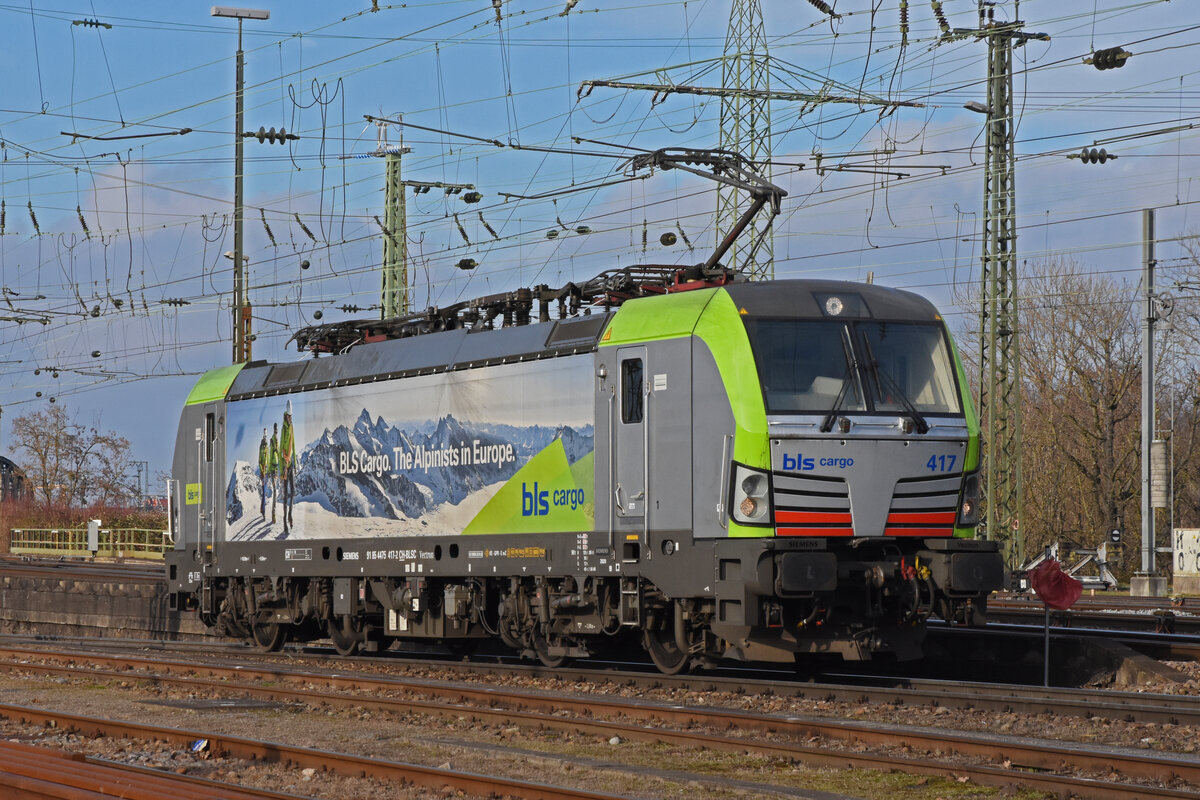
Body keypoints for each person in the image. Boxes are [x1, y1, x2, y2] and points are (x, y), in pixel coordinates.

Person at [280, 401, 297, 534]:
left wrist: (295, 463)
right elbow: (281, 449)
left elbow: (294, 445)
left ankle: (290, 515)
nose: (290, 418)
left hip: (291, 464)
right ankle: (285, 522)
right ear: (286, 416)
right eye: (289, 416)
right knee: (285, 496)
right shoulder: (284, 428)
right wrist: (282, 469)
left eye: (291, 416)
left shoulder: (291, 427)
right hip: (285, 466)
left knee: (293, 492)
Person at [269, 422, 280, 524]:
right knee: (275, 491)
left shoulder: (276, 441)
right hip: (273, 470)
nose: (276, 432)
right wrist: (270, 471)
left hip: (276, 470)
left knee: (276, 491)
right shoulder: (273, 442)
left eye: (277, 430)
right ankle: (273, 513)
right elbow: (270, 457)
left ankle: (274, 512)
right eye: (275, 430)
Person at [257, 428, 269, 518]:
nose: (265, 439)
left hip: (266, 472)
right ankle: (263, 511)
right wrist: (262, 470)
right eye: (264, 437)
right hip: (263, 473)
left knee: (264, 491)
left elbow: (267, 459)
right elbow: (260, 461)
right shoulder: (261, 448)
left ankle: (262, 508)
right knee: (264, 491)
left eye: (266, 437)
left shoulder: (266, 447)